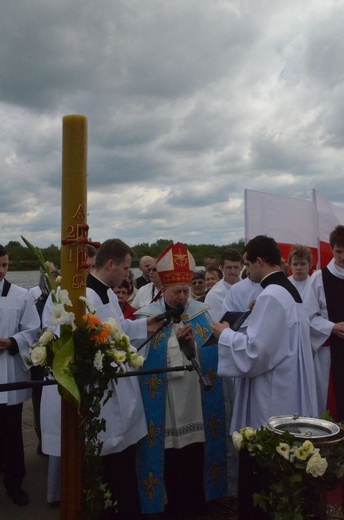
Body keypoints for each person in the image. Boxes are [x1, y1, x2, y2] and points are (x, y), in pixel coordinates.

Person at [41, 239, 159, 518]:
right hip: (99, 391)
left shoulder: (104, 293)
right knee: (106, 461)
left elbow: (118, 328)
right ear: (111, 264)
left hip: (115, 382)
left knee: (121, 458)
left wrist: (149, 323)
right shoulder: (84, 296)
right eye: (126, 268)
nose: (127, 275)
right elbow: (74, 344)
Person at [213, 235, 318, 520]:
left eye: (248, 264)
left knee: (266, 467)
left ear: (260, 262)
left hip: (273, 393)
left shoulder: (271, 295)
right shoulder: (287, 291)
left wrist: (226, 334)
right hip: (290, 384)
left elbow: (256, 353)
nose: (247, 271)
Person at [136, 242, 226, 518]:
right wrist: (174, 343)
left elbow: (211, 355)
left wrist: (194, 346)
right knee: (171, 459)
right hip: (167, 405)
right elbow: (142, 361)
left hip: (195, 401)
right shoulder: (147, 318)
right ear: (163, 290)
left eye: (186, 291)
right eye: (177, 292)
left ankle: (199, 505)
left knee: (194, 457)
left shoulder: (201, 312)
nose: (183, 297)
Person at [0, 244, 40, 506]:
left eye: (5, 265)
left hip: (7, 372)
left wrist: (12, 342)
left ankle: (15, 482)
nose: (2, 271)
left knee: (11, 430)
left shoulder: (21, 295)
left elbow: (33, 329)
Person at [288, 245, 330, 415]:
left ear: (310, 265)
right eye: (295, 264)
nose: (299, 268)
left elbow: (316, 314)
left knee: (313, 385)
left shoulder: (314, 284)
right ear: (290, 264)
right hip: (290, 344)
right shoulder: (284, 286)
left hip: (311, 344)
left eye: (303, 264)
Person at [310, 225, 344, 421]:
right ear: (331, 249)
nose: (342, 256)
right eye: (338, 251)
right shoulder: (318, 278)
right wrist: (332, 326)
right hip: (330, 353)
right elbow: (308, 316)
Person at [29, 262, 60, 455]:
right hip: (41, 356)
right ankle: (43, 439)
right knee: (40, 401)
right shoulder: (36, 299)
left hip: (54, 354)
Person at [205, 249, 243, 320]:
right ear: (221, 267)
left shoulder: (252, 288)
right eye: (229, 267)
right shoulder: (213, 296)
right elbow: (215, 325)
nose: (233, 271)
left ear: (242, 267)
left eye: (236, 267)